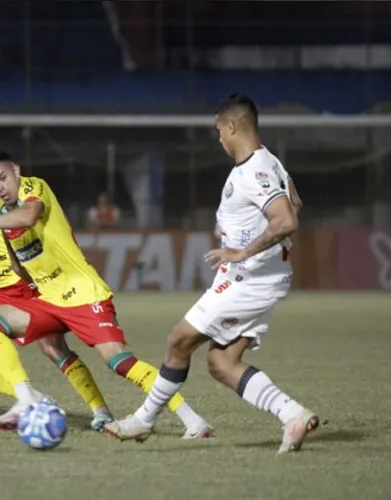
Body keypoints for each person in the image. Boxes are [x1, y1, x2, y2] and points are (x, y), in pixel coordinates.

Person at [104, 93, 318, 453]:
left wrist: (242, 251)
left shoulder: (254, 169)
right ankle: (292, 415)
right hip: (262, 277)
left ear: (232, 126)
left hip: (248, 279)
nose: (219, 138)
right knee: (222, 362)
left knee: (178, 340)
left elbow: (287, 218)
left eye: (219, 130)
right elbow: (295, 201)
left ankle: (143, 420)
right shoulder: (271, 163)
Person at [0, 152, 214, 438]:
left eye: (3, 178)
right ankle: (27, 397)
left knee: (120, 362)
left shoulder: (33, 187)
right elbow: (19, 264)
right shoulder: (4, 216)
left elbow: (29, 216)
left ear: (16, 171)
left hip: (82, 294)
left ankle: (193, 420)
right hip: (49, 300)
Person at [0, 142, 114, 431]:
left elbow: (20, 211)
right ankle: (26, 400)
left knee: (51, 347)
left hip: (25, 284)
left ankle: (95, 409)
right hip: (6, 289)